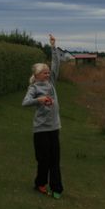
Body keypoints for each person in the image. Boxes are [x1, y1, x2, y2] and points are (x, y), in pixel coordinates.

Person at [22, 33, 64, 199]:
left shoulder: (51, 84)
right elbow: (25, 103)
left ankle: (57, 189)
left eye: (48, 72)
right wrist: (38, 99)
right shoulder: (34, 88)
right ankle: (40, 184)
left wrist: (53, 47)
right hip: (40, 130)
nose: (48, 74)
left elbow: (56, 65)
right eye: (45, 73)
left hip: (54, 128)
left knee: (55, 161)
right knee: (43, 160)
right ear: (37, 75)